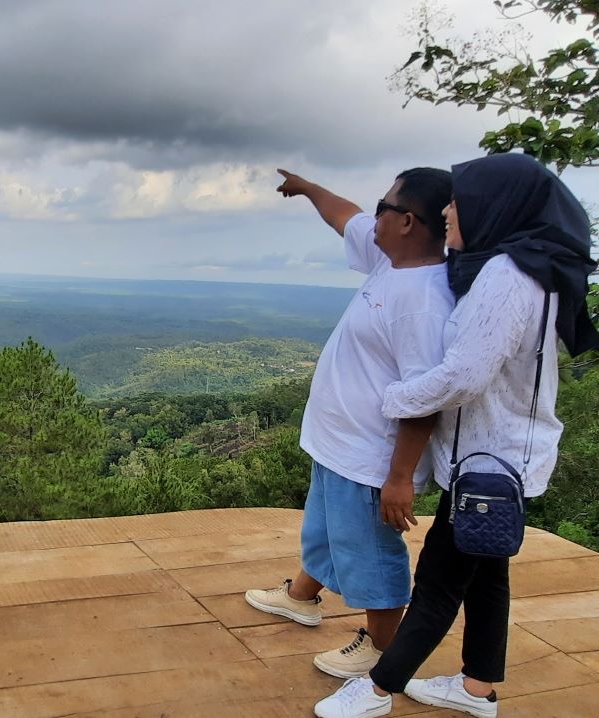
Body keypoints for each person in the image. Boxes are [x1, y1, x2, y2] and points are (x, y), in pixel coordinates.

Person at [313, 152, 599, 718]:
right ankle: (478, 688)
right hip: (506, 451)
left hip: (486, 456)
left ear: (494, 207)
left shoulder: (505, 276)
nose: (449, 212)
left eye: (459, 201)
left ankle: (377, 690)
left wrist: (393, 400)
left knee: (441, 579)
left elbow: (465, 375)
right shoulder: (528, 268)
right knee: (486, 572)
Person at [245, 167, 455, 679]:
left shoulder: (423, 303)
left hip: (370, 455)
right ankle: (301, 596)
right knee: (324, 529)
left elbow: (425, 397)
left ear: (407, 221)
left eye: (382, 206)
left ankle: (384, 650)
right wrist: (309, 189)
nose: (372, 214)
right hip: (337, 442)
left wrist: (400, 477)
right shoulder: (391, 261)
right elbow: (346, 218)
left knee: (369, 553)